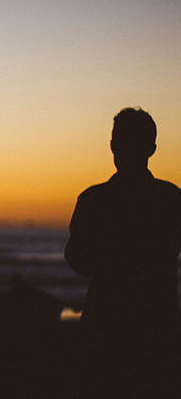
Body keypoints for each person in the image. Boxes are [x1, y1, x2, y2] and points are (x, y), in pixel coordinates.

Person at [64, 108, 181, 396]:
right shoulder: (171, 199)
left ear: (112, 146)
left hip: (105, 323)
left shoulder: (93, 200)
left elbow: (78, 260)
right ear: (152, 149)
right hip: (158, 323)